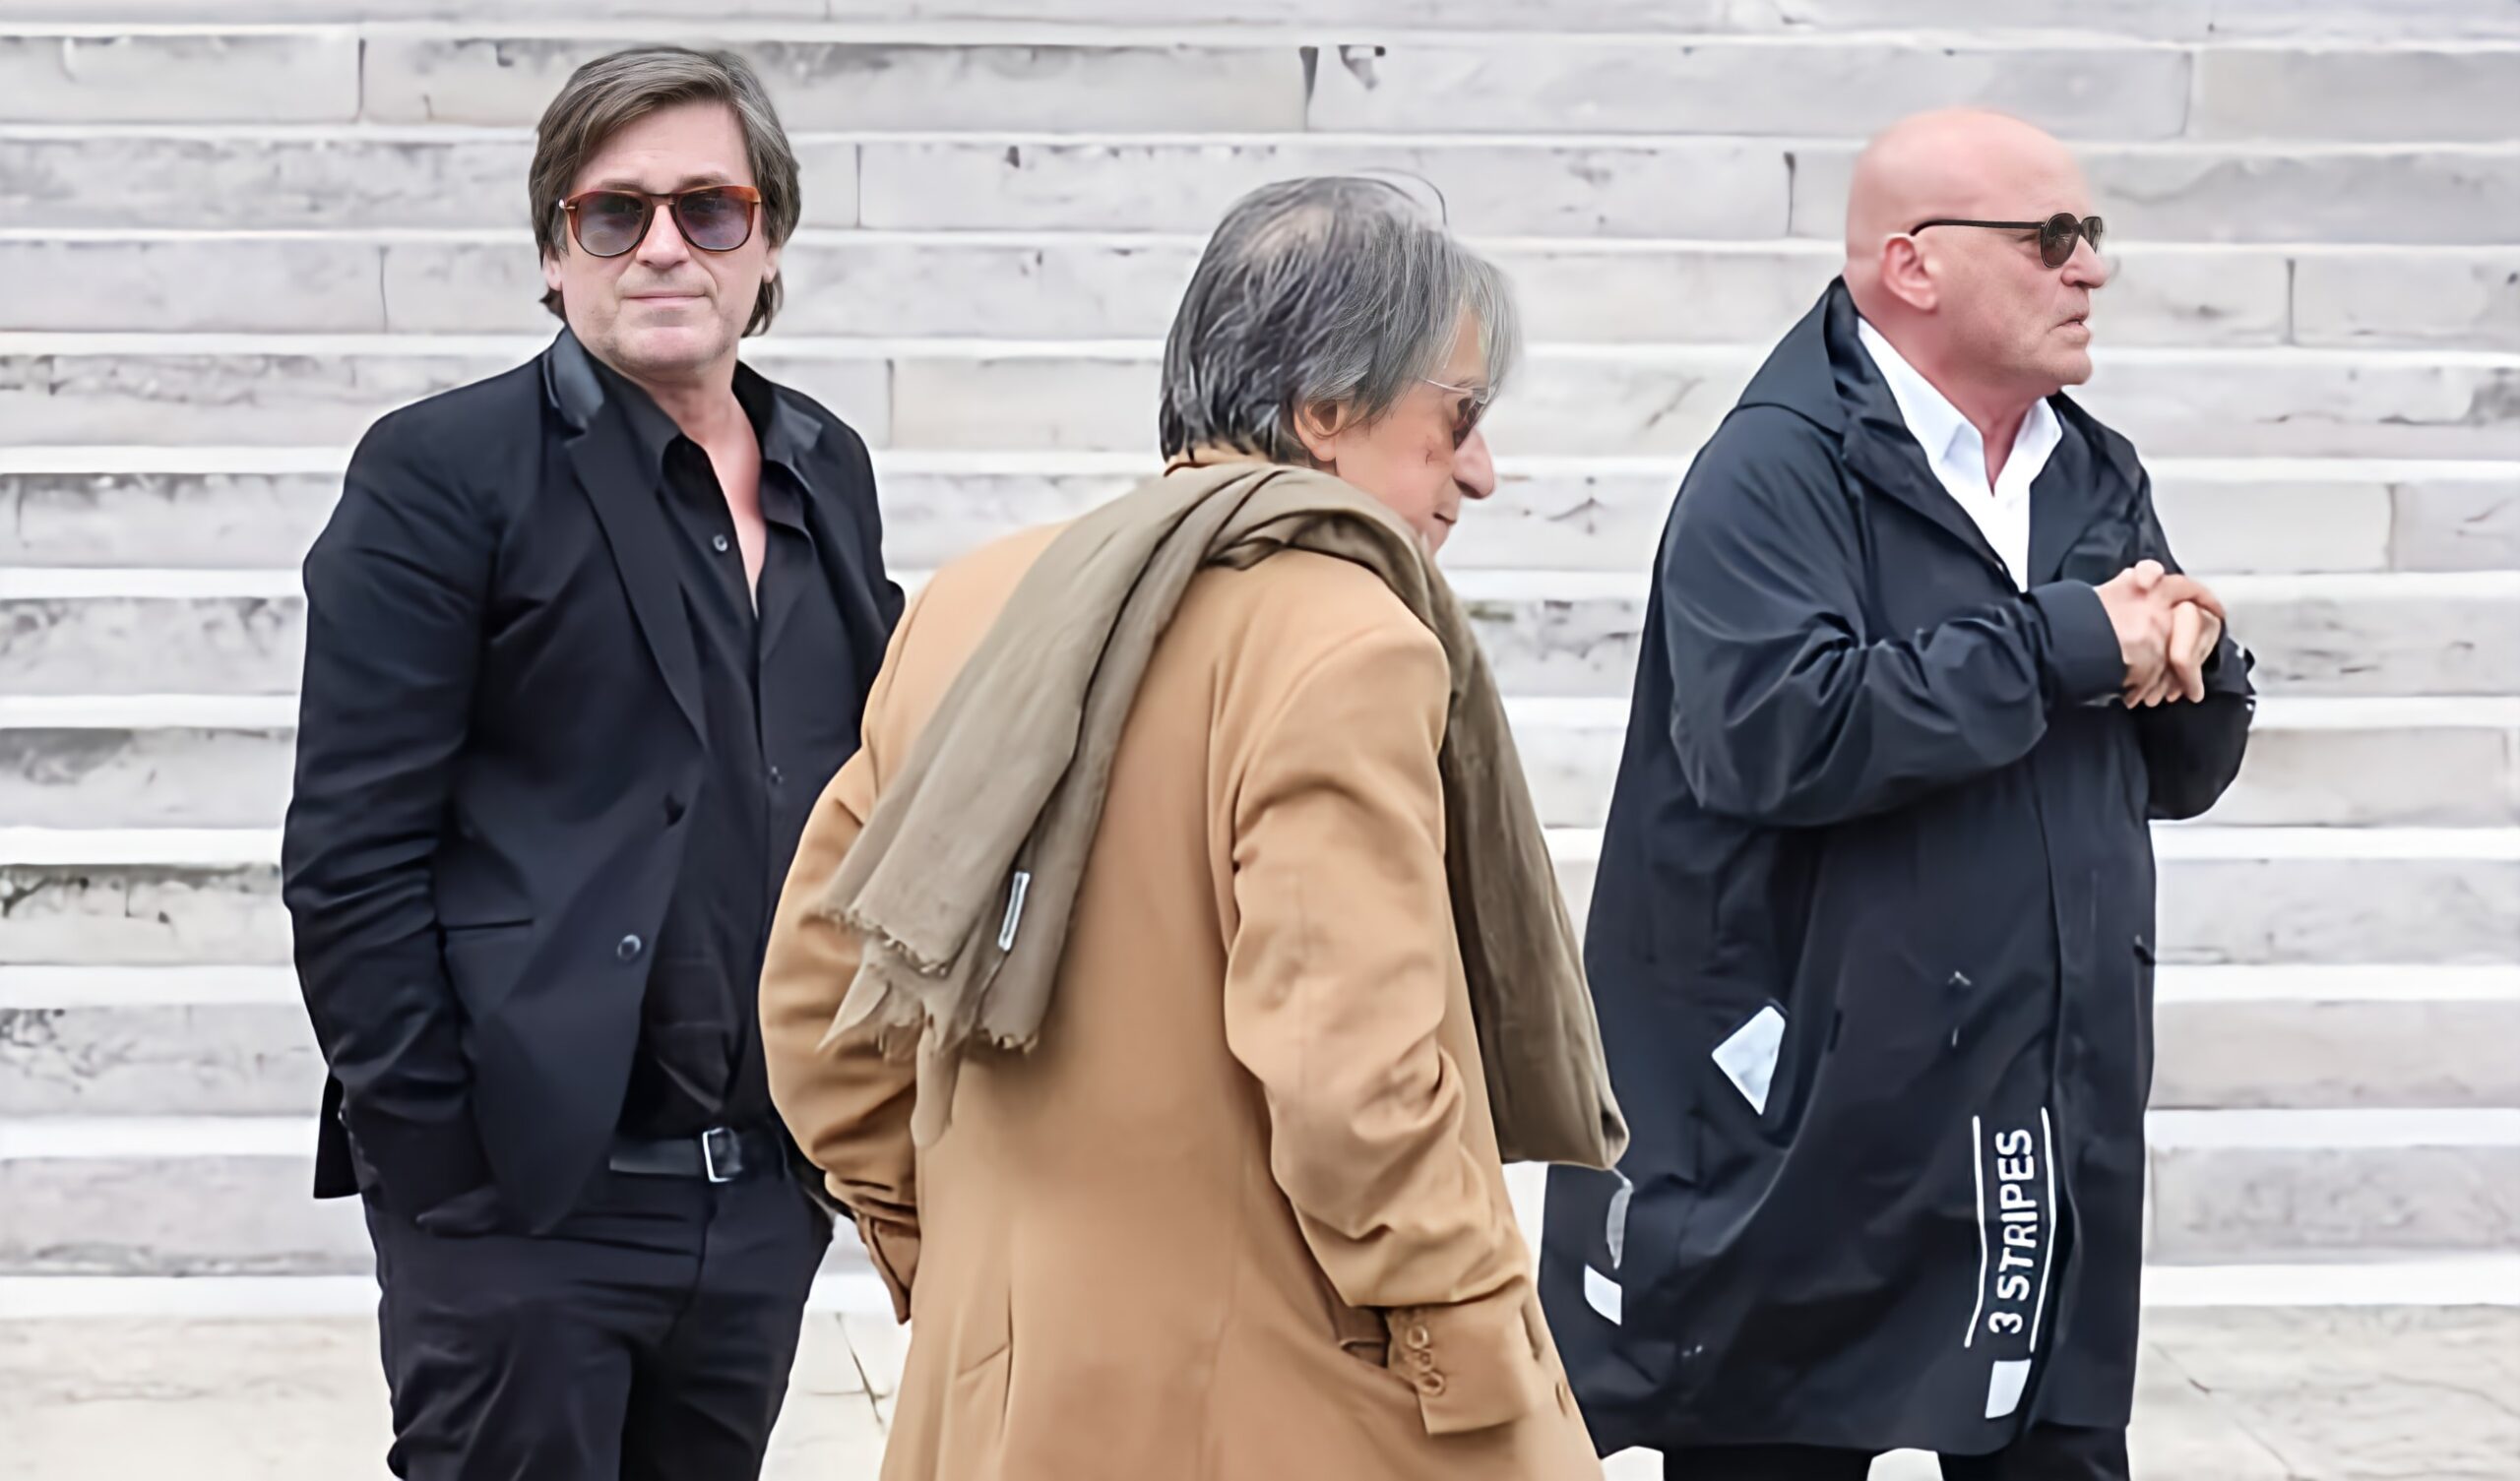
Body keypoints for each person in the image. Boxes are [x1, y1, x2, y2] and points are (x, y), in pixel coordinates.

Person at [757, 176, 1623, 1480]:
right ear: (1327, 412)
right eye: (1457, 421)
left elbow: (820, 1018)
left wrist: (974, 1273)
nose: (1483, 474)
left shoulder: (976, 601)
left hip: (997, 1413)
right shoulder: (1345, 638)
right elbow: (1352, 1085)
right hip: (1290, 1419)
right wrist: (1488, 1377)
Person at [1540, 109, 2255, 1480]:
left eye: (2091, 236)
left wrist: (2203, 665)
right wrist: (2064, 642)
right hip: (1807, 1137)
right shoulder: (1772, 471)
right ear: (1912, 267)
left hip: (2036, 1120)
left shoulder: (2088, 468)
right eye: (2053, 238)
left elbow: (2165, 765)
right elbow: (1774, 731)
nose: (2089, 269)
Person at [282, 46, 900, 1480]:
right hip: (523, 1204)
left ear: (771, 242)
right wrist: (445, 1175)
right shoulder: (444, 471)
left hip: (755, 1197)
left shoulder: (827, 466)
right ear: (557, 256)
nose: (664, 245)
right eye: (613, 214)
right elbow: (349, 856)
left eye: (711, 208)